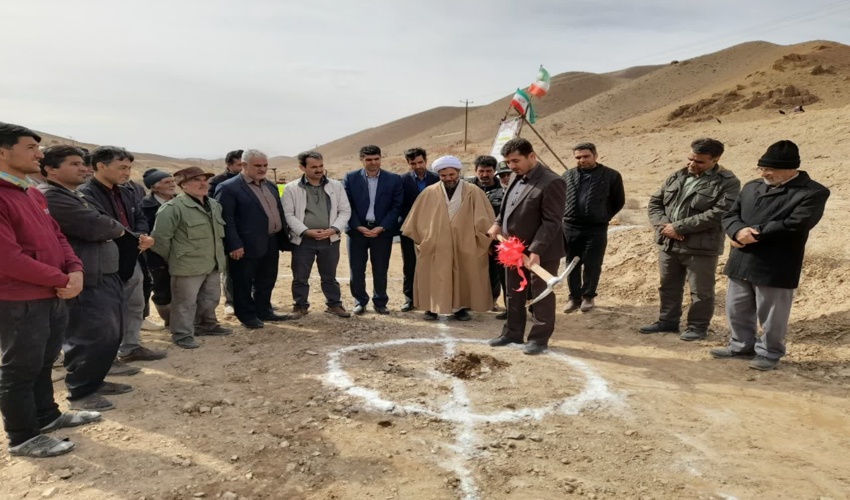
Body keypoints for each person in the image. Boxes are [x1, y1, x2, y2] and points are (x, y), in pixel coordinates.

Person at [0, 122, 100, 458]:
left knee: (43, 362)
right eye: (30, 148)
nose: (39, 155)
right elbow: (8, 259)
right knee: (20, 368)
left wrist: (75, 269)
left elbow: (58, 236)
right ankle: (23, 437)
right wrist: (62, 279)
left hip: (51, 294)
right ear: (2, 152)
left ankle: (47, 417)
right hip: (19, 299)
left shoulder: (30, 192)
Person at [711, 140, 830, 370]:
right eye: (762, 168)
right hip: (742, 256)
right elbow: (730, 214)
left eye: (770, 169)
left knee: (772, 314)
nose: (764, 173)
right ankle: (740, 345)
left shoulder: (813, 192)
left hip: (776, 262)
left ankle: (769, 352)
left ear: (791, 169)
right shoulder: (751, 186)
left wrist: (752, 233)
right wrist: (736, 231)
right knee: (736, 308)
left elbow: (796, 224)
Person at [38, 145, 131, 412]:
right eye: (74, 164)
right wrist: (114, 228)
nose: (83, 168)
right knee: (90, 336)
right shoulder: (52, 197)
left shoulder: (73, 194)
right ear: (51, 169)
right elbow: (99, 225)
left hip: (103, 273)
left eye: (83, 163)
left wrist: (112, 227)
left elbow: (105, 221)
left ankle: (94, 382)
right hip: (87, 277)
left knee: (110, 334)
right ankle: (81, 392)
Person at [642, 138, 741, 341]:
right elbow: (655, 203)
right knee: (668, 286)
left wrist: (678, 227)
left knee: (701, 291)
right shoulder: (677, 175)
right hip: (669, 242)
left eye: (699, 161)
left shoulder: (728, 182)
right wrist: (664, 226)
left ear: (715, 160)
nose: (692, 164)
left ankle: (697, 326)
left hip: (701, 247)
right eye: (690, 159)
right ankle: (667, 321)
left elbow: (719, 213)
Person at [79, 147, 167, 362]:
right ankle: (104, 359)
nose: (127, 173)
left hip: (131, 257)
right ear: (101, 166)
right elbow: (100, 225)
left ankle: (130, 347)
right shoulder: (85, 194)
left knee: (134, 305)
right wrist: (135, 237)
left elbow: (139, 217)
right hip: (102, 261)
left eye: (128, 168)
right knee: (107, 312)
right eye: (121, 168)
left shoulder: (126, 192)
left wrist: (143, 235)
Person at [486, 138, 567, 355]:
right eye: (508, 162)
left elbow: (552, 221)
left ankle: (539, 339)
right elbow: (507, 207)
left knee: (541, 294)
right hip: (512, 249)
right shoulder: (515, 175)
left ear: (532, 156)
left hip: (541, 252)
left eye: (516, 160)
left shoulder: (552, 182)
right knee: (513, 292)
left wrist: (536, 250)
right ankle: (512, 333)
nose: (511, 166)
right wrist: (497, 223)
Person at [403, 155, 495, 321]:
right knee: (433, 274)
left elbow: (484, 219)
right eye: (443, 175)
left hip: (465, 242)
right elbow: (417, 220)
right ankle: (431, 307)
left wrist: (483, 241)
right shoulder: (429, 192)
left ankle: (460, 308)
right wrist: (427, 239)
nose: (448, 178)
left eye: (451, 174)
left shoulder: (474, 191)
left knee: (464, 273)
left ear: (458, 172)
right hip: (436, 243)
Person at [151, 167, 231, 348]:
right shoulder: (172, 208)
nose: (203, 183)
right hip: (187, 266)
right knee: (184, 303)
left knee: (210, 298)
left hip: (212, 262)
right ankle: (181, 334)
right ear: (183, 185)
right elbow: (160, 240)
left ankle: (206, 325)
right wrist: (176, 257)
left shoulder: (214, 205)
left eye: (204, 180)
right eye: (197, 180)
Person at [215, 149, 293, 329]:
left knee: (267, 279)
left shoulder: (270, 185)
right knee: (242, 281)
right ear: (244, 165)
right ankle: (247, 316)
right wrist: (234, 244)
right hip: (244, 245)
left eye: (265, 165)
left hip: (271, 241)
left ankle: (264, 310)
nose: (262, 169)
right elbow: (226, 220)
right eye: (257, 165)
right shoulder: (228, 188)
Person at [282, 151, 352, 318]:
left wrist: (334, 229)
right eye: (314, 167)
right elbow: (288, 214)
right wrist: (306, 231)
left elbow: (345, 210)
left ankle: (334, 304)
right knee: (300, 276)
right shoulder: (292, 188)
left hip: (330, 239)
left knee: (329, 275)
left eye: (321, 166)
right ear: (302, 167)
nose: (319, 170)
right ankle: (300, 306)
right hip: (303, 240)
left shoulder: (336, 186)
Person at [561, 142, 625, 313]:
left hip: (596, 228)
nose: (582, 160)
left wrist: (603, 215)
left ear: (595, 155)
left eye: (586, 156)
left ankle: (588, 297)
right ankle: (574, 298)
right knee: (571, 263)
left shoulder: (611, 175)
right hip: (571, 227)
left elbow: (618, 200)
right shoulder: (567, 175)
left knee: (593, 263)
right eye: (578, 157)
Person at [343, 145, 403, 315]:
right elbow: (346, 204)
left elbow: (396, 206)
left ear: (381, 158)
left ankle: (380, 301)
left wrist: (382, 227)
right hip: (357, 231)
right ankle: (360, 301)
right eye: (369, 159)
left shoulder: (393, 179)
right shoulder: (350, 178)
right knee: (356, 268)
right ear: (362, 160)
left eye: (377, 159)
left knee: (381, 268)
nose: (373, 162)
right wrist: (357, 226)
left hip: (382, 232)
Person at [399, 147, 438, 312]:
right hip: (410, 228)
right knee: (410, 263)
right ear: (408, 163)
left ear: (426, 161)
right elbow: (399, 204)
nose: (418, 166)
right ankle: (410, 298)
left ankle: (434, 298)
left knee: (434, 263)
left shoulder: (437, 178)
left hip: (434, 228)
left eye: (420, 162)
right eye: (413, 163)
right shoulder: (401, 180)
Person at [467, 155, 507, 314]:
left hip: (495, 237)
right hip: (471, 237)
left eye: (488, 171)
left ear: (494, 171)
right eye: (481, 171)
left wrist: (491, 242)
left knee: (494, 270)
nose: (484, 175)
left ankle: (492, 300)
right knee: (471, 269)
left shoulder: (503, 188)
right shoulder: (467, 188)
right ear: (475, 171)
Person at [210, 150, 244, 316]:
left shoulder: (254, 180)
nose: (243, 168)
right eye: (239, 165)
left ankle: (253, 299)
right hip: (229, 231)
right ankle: (230, 301)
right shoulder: (218, 182)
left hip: (250, 232)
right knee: (231, 269)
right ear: (229, 165)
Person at [141, 169, 176, 328]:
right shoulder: (144, 206)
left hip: (181, 253)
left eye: (172, 181)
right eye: (166, 182)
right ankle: (170, 320)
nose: (172, 184)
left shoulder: (182, 202)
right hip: (156, 255)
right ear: (154, 187)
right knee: (162, 288)